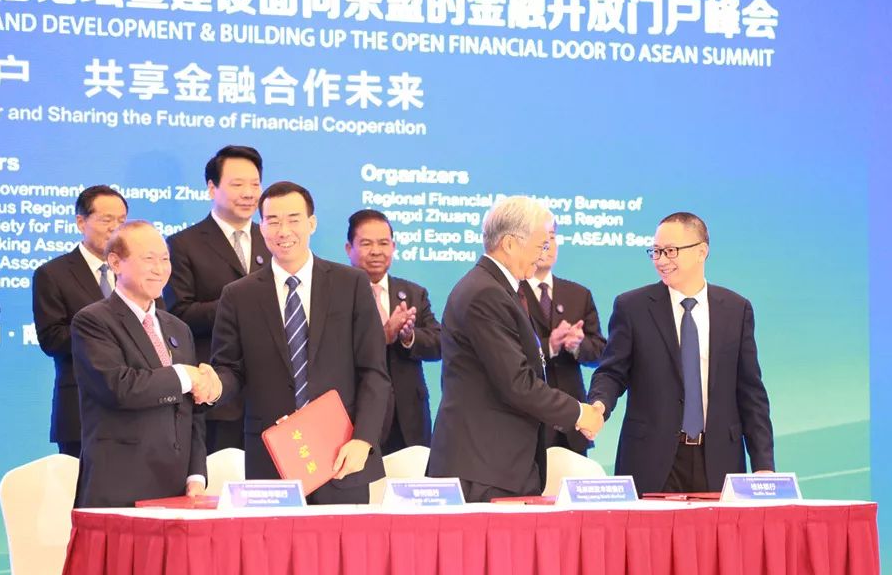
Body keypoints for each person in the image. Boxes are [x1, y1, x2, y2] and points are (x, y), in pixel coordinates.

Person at [210, 182, 390, 504]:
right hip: (271, 460)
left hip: (341, 454)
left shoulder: (350, 284)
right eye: (273, 221)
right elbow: (230, 370)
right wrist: (213, 385)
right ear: (261, 227)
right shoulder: (239, 295)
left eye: (293, 219)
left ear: (312, 223)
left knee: (340, 539)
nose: (284, 231)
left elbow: (374, 372)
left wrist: (363, 439)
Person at [426, 196, 605, 503]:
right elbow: (517, 383)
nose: (543, 254)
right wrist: (579, 413)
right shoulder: (486, 294)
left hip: (496, 466)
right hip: (483, 469)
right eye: (540, 245)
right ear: (510, 244)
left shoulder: (495, 288)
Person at [588, 212, 775, 494]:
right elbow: (612, 372)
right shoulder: (633, 307)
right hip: (649, 458)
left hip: (719, 459)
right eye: (656, 251)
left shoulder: (736, 310)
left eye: (670, 251)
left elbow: (751, 393)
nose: (661, 260)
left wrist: (763, 465)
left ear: (702, 251)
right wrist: (599, 405)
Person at [71, 221, 221, 508]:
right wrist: (184, 376)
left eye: (165, 259)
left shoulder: (178, 328)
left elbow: (190, 410)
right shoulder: (94, 321)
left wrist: (196, 474)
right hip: (120, 485)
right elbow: (119, 388)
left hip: (177, 487)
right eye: (148, 259)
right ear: (116, 262)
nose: (159, 269)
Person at [164, 145, 270, 454]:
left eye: (255, 184)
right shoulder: (183, 244)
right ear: (212, 188)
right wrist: (239, 308)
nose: (249, 193)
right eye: (237, 184)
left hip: (271, 396)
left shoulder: (273, 240)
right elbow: (178, 314)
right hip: (217, 395)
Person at [32, 185, 128, 457]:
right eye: (106, 219)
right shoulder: (53, 273)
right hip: (80, 408)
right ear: (81, 222)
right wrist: (110, 332)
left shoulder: (134, 270)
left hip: (135, 408)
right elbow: (52, 339)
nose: (115, 228)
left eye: (121, 220)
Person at [344, 209, 441, 452]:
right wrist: (383, 336)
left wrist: (409, 337)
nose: (376, 251)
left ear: (393, 247)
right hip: (358, 417)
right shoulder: (336, 293)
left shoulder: (414, 293)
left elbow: (440, 343)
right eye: (366, 243)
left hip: (408, 418)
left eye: (383, 243)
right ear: (348, 249)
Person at [519, 218, 606, 455]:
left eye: (552, 238)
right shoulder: (513, 293)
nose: (547, 245)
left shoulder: (578, 294)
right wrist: (550, 345)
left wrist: (577, 345)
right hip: (530, 419)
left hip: (573, 422)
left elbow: (600, 351)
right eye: (542, 239)